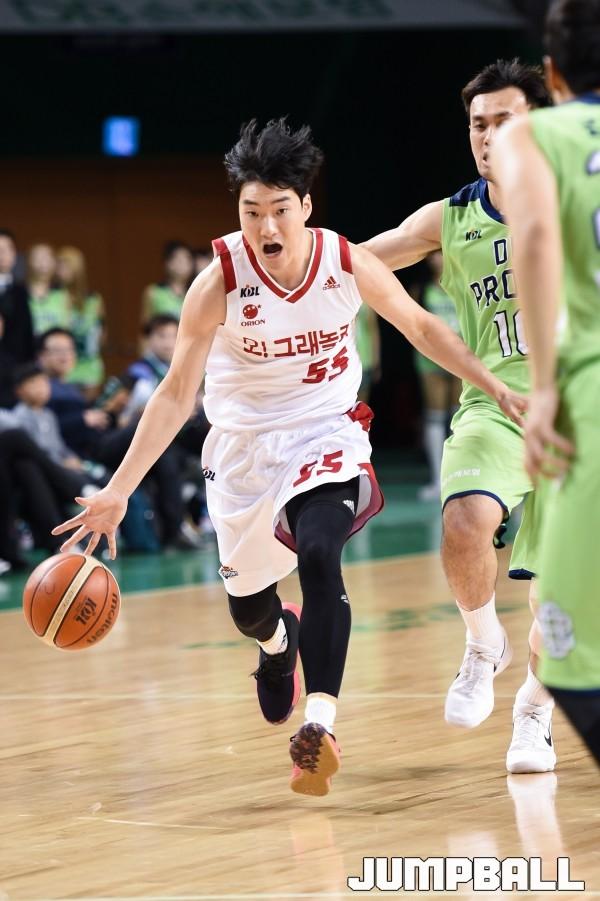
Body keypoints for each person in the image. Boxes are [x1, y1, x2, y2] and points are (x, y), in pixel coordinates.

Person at [53, 118, 525, 796]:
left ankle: (320, 724)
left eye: (279, 209)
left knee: (320, 551)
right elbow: (176, 392)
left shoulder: (344, 262)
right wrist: (119, 489)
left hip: (324, 431)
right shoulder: (217, 281)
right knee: (250, 608)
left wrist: (495, 386)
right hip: (242, 449)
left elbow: (422, 327)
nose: (266, 226)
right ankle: (278, 645)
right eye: (251, 212)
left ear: (305, 206)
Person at [363, 59, 556, 774]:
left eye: (504, 120)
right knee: (466, 520)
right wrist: (265, 278)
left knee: (559, 610)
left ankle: (533, 711)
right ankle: (481, 644)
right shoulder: (449, 217)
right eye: (478, 123)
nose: (488, 135)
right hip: (494, 406)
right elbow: (353, 263)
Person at [492, 0, 600, 766]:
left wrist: (545, 390)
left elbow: (531, 236)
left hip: (590, 388)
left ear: (552, 74)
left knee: (563, 638)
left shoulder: (533, 135)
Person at [413, 251, 462, 500]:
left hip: (461, 359)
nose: (437, 259)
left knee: (459, 417)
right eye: (432, 255)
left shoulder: (464, 285)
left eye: (441, 254)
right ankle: (437, 479)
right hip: (430, 361)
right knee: (434, 416)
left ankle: (459, 477)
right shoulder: (421, 290)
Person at [55, 246, 106, 399]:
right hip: (62, 364)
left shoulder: (94, 300)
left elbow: (102, 331)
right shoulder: (53, 297)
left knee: (88, 406)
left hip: (89, 363)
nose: (61, 271)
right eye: (59, 266)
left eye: (66, 266)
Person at [0, 229, 35, 407]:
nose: (2, 254)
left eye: (7, 249)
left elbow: (26, 334)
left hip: (14, 370)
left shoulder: (21, 291)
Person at [141, 241, 194, 324]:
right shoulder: (153, 292)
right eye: (178, 259)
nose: (182, 264)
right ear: (167, 263)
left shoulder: (195, 294)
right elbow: (145, 326)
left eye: (187, 259)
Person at [26, 243, 70, 336]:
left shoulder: (62, 294)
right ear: (29, 261)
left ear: (54, 262)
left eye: (46, 258)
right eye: (37, 258)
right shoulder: (19, 293)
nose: (42, 263)